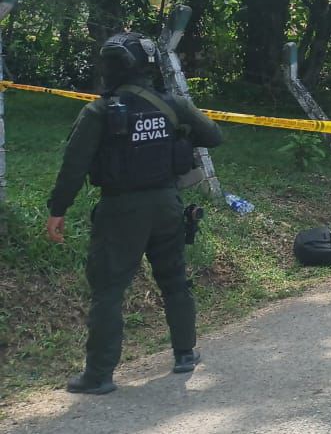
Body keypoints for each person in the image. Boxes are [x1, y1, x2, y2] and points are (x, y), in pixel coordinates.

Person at [45, 32, 223, 395]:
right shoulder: (171, 104)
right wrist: (177, 132)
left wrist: (57, 210)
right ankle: (184, 354)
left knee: (109, 290)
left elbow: (73, 166)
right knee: (174, 280)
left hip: (120, 210)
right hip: (167, 205)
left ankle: (98, 375)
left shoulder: (98, 111)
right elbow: (214, 136)